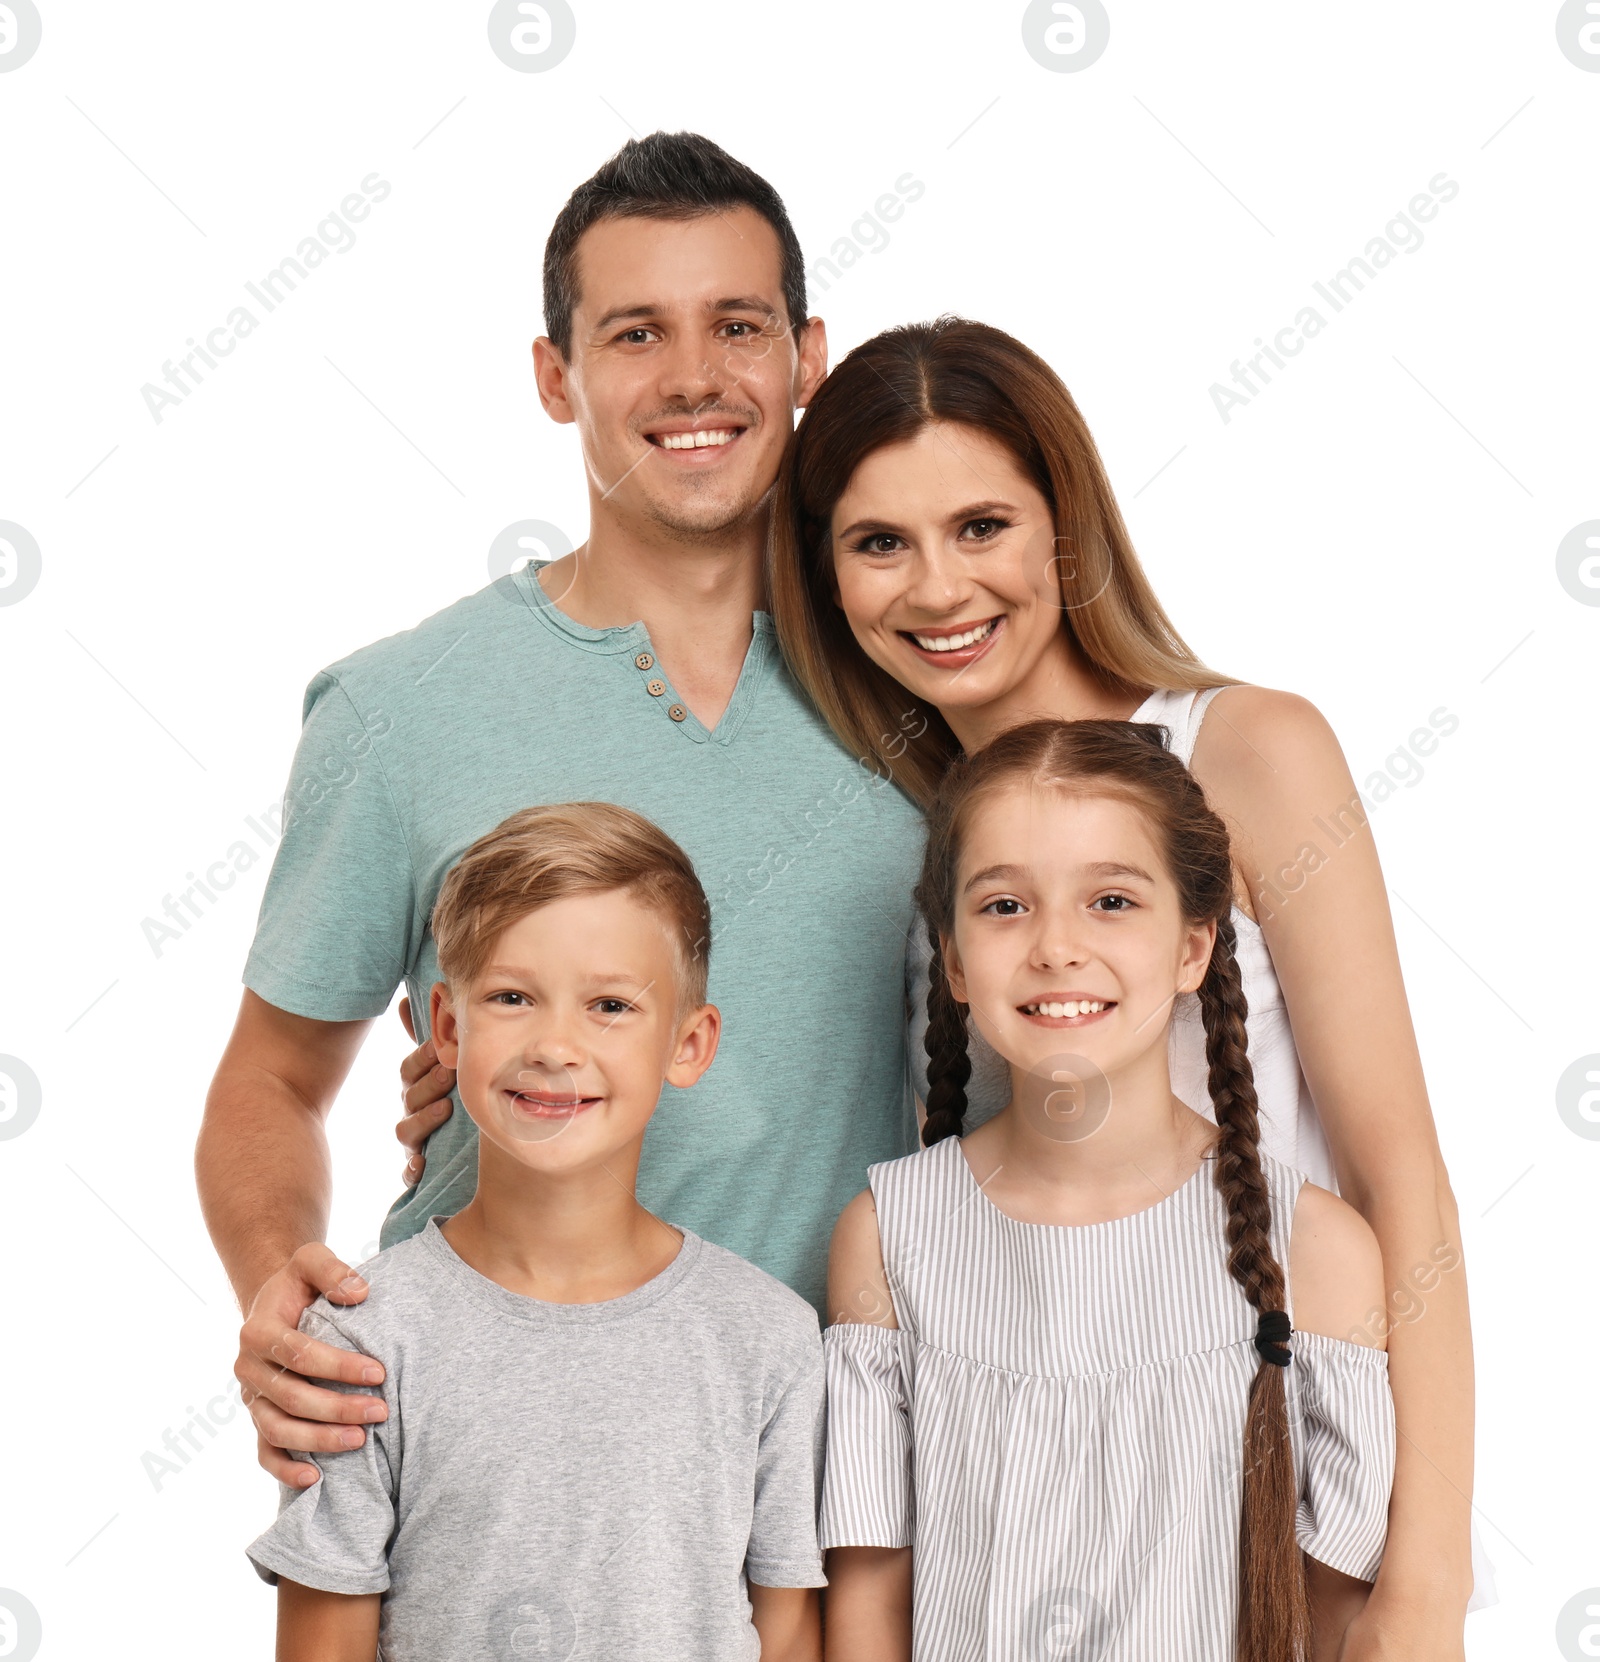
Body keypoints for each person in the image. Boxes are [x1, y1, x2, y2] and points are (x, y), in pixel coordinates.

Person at [196, 131, 924, 1492]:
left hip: (835, 1476)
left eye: (739, 326)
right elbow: (272, 1079)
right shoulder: (401, 709)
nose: (696, 377)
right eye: (637, 332)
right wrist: (275, 1277)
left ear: (808, 356)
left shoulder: (923, 681)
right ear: (555, 375)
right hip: (489, 1458)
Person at [766, 317, 1484, 1651]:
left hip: (1256, 1499)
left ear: (1065, 531)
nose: (937, 587)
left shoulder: (1247, 750)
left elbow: (1403, 1181)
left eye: (981, 525)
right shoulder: (926, 842)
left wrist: (1425, 1584)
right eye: (880, 542)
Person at [821, 718, 1395, 1661]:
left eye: (1113, 901)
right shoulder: (888, 1234)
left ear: (1194, 948)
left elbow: (1334, 1615)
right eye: (1005, 906)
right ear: (954, 961)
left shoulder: (1318, 1253)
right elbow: (870, 1596)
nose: (1056, 947)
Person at [247, 802, 825, 1662]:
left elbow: (783, 1630)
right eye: (513, 997)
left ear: (690, 1043)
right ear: (447, 1026)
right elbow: (324, 1642)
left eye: (610, 1005)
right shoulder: (359, 1341)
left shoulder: (768, 1336)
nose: (556, 1045)